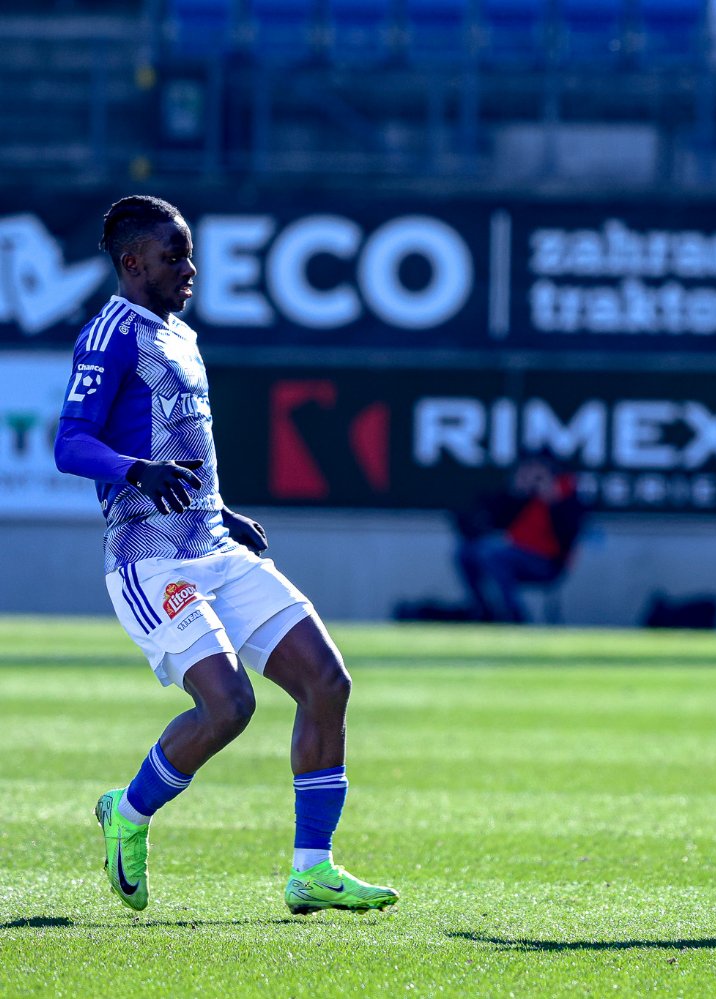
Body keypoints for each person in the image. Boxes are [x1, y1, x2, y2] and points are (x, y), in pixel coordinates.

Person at [54, 195, 398, 915]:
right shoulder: (110, 333)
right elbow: (71, 442)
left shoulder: (181, 335)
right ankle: (129, 811)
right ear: (132, 262)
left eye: (189, 253)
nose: (190, 268)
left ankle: (312, 869)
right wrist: (135, 471)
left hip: (212, 542)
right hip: (149, 558)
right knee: (229, 704)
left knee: (327, 682)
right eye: (174, 256)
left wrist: (220, 510)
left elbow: (181, 445)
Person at [454, 457, 585, 623]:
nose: (535, 480)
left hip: (547, 562)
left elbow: (569, 533)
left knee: (493, 555)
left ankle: (514, 615)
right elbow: (492, 521)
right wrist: (516, 494)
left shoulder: (566, 496)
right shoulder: (524, 497)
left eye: (539, 475)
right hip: (514, 552)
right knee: (467, 552)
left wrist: (553, 501)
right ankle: (483, 610)